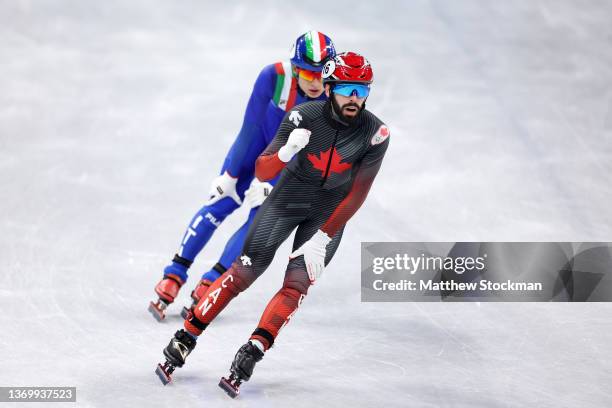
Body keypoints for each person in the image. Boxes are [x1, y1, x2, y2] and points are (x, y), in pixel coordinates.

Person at [156, 52, 390, 399]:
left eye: (361, 90)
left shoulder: (376, 133)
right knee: (241, 275)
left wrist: (324, 236)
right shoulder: (303, 115)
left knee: (296, 286)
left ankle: (253, 350)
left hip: (329, 213)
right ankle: (186, 337)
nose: (354, 98)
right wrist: (283, 154)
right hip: (287, 199)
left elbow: (357, 194)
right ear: (329, 88)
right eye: (346, 89)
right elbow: (263, 170)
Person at [148, 31, 336, 321]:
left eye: (320, 75)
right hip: (254, 151)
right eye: (307, 74)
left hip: (286, 165)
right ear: (295, 68)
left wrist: (275, 180)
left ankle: (211, 282)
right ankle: (173, 275)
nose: (314, 83)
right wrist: (232, 173)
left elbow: (315, 152)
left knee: (258, 223)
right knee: (222, 200)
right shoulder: (273, 77)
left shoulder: (333, 99)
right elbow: (250, 128)